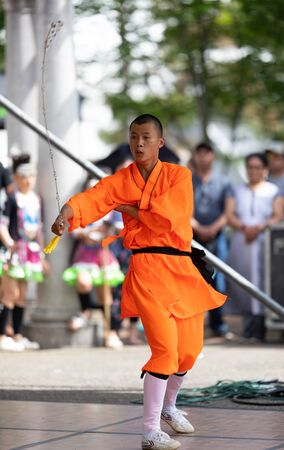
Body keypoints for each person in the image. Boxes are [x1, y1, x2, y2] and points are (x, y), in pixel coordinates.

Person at [51, 114, 226, 450]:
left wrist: (130, 210)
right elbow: (93, 199)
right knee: (165, 350)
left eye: (146, 137)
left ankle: (169, 408)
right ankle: (149, 430)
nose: (139, 143)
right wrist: (66, 216)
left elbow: (169, 218)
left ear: (160, 142)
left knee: (189, 352)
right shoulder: (121, 179)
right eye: (134, 137)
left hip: (182, 269)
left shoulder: (180, 176)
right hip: (147, 268)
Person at [225, 153, 284, 342]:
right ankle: (247, 328)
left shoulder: (273, 190)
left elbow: (278, 215)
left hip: (263, 241)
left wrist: (259, 228)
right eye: (250, 167)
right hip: (242, 240)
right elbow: (229, 215)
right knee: (241, 280)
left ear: (265, 170)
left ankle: (260, 329)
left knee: (263, 282)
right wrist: (244, 227)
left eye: (258, 167)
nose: (254, 171)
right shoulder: (236, 190)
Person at [62, 180, 125, 350]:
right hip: (85, 253)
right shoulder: (80, 207)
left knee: (106, 294)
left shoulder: (111, 207)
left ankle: (111, 332)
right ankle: (85, 312)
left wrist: (108, 230)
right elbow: (73, 231)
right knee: (83, 282)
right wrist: (89, 232)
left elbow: (119, 228)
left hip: (103, 253)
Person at [0, 162, 44, 351]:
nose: (27, 180)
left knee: (23, 295)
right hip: (14, 251)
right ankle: (2, 335)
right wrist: (10, 243)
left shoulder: (36, 199)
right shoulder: (11, 199)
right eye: (23, 176)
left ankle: (18, 334)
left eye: (31, 176)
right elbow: (2, 224)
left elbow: (40, 228)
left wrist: (42, 253)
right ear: (16, 178)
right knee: (10, 293)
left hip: (31, 252)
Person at [191, 142, 230, 338]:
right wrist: (198, 227)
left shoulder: (224, 182)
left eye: (207, 153)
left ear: (213, 156)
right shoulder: (186, 179)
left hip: (218, 236)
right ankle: (193, 325)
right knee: (192, 280)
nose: (203, 157)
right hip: (192, 236)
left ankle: (218, 324)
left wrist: (213, 229)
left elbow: (228, 211)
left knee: (218, 281)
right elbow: (182, 207)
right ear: (195, 156)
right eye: (199, 154)